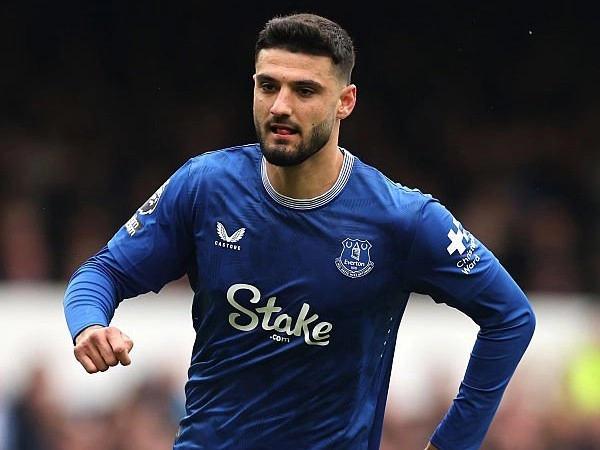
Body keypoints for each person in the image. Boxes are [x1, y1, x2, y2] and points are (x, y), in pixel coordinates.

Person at [63, 12, 536, 450]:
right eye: (268, 86)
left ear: (345, 102)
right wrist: (89, 324)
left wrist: (452, 444)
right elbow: (103, 271)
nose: (280, 106)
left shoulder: (403, 220)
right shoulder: (205, 186)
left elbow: (511, 317)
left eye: (305, 91)